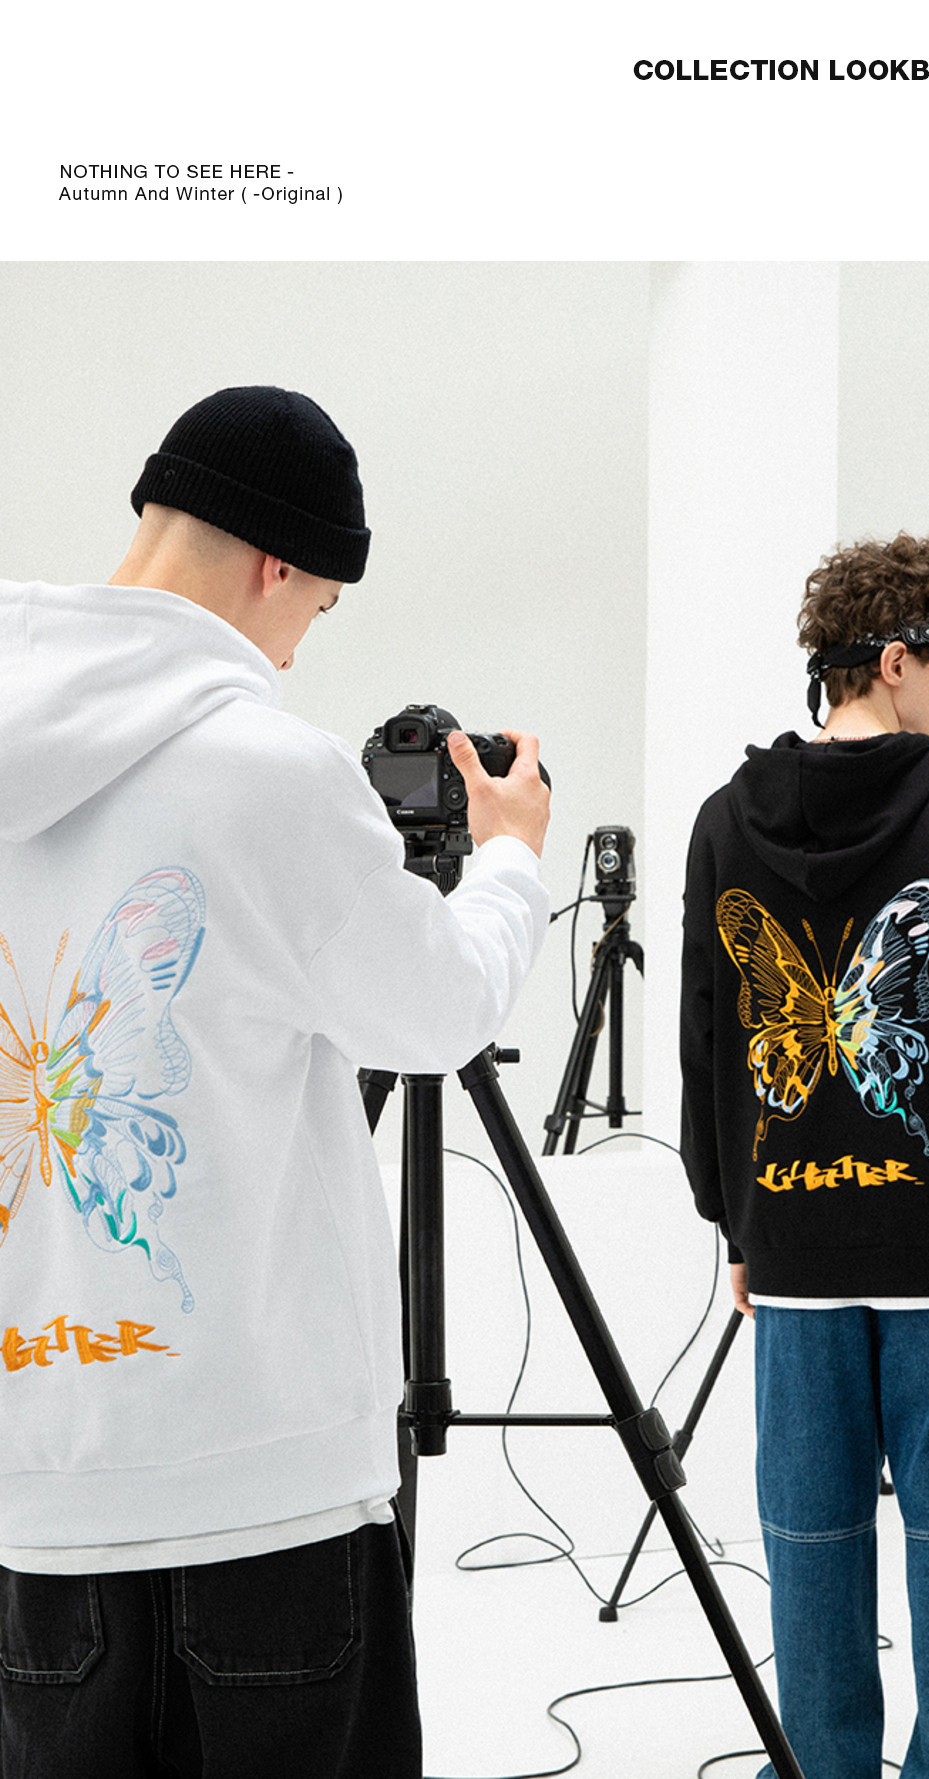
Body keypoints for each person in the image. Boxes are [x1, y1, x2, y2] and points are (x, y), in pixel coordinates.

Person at [0, 386, 551, 1778]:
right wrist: (510, 861)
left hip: (37, 1494)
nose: (300, 649)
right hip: (266, 1490)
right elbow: (435, 1013)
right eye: (319, 606)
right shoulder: (271, 771)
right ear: (276, 563)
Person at [679, 533, 929, 1779]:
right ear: (896, 662)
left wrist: (734, 1218)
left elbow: (709, 1037)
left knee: (808, 1532)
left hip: (795, 1241)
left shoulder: (722, 823)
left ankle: (823, 1767)